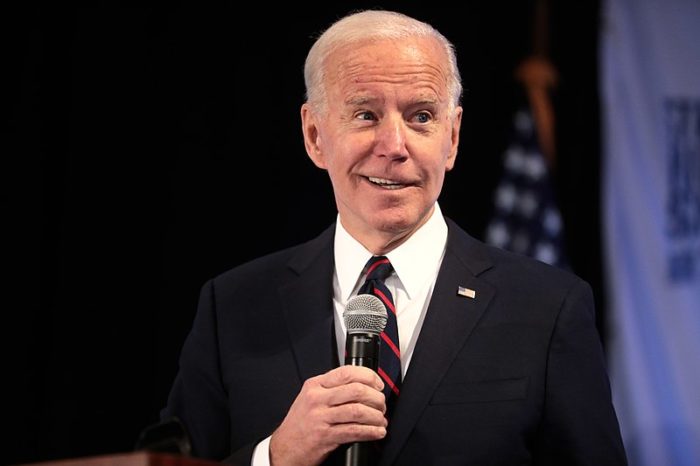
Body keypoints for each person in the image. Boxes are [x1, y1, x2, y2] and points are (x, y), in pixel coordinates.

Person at [160, 9, 628, 466]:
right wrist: (276, 455)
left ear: (453, 136)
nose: (395, 147)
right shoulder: (234, 306)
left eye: (421, 116)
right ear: (314, 135)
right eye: (365, 114)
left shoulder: (548, 309)